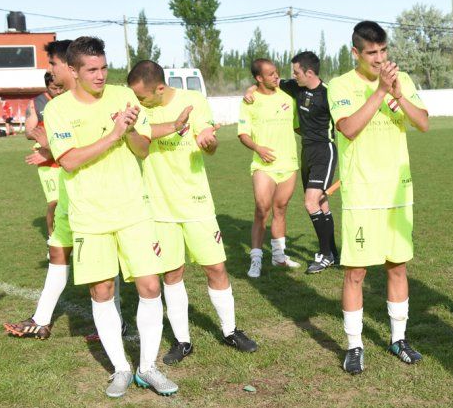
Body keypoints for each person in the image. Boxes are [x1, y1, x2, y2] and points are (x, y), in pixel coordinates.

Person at [44, 37, 176, 397]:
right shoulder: (57, 110)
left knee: (151, 286)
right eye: (91, 69)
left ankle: (148, 368)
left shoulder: (124, 96)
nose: (100, 75)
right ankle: (120, 368)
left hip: (133, 210)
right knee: (102, 291)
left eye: (103, 67)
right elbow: (69, 160)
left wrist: (130, 130)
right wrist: (114, 133)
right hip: (90, 216)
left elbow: (143, 150)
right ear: (73, 71)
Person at [128, 60, 258, 365]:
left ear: (160, 88)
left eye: (143, 97)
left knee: (216, 268)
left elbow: (208, 142)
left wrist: (208, 143)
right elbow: (140, 145)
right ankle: (183, 340)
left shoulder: (193, 100)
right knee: (172, 274)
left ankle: (230, 330)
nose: (139, 102)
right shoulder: (138, 108)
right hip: (159, 206)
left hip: (196, 201)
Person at [4, 41, 124, 341]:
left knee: (105, 261)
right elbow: (66, 152)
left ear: (68, 67)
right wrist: (49, 151)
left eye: (52, 64)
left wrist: (50, 150)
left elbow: (80, 153)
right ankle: (41, 319)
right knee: (57, 250)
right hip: (69, 192)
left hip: (97, 197)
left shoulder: (101, 100)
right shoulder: (58, 106)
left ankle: (117, 322)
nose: (50, 70)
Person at [328, 21, 429, 374]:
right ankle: (354, 345)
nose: (379, 58)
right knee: (356, 272)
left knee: (397, 266)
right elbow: (348, 128)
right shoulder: (341, 85)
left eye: (383, 51)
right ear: (355, 53)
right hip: (362, 193)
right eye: (372, 52)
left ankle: (398, 339)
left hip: (398, 191)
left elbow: (423, 124)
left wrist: (398, 94)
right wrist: (380, 92)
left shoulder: (403, 81)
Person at [245, 51, 339, 274]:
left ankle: (325, 255)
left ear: (309, 73)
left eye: (296, 72)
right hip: (306, 152)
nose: (292, 76)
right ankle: (333, 252)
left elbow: (345, 122)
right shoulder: (296, 87)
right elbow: (265, 83)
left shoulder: (329, 94)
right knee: (321, 204)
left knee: (311, 203)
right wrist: (250, 89)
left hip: (324, 151)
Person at [238, 58, 300, 278]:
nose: (276, 76)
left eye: (276, 72)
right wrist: (258, 148)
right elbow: (243, 134)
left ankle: (279, 256)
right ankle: (256, 259)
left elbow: (298, 126)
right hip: (264, 165)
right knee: (261, 209)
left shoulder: (288, 97)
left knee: (281, 208)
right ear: (258, 78)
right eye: (271, 74)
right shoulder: (250, 100)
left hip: (289, 163)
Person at [24, 72, 62, 236]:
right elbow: (29, 132)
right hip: (45, 158)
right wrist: (45, 137)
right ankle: (52, 236)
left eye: (60, 87)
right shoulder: (36, 103)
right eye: (54, 88)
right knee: (54, 201)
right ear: (47, 86)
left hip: (66, 153)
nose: (58, 91)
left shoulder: (69, 100)